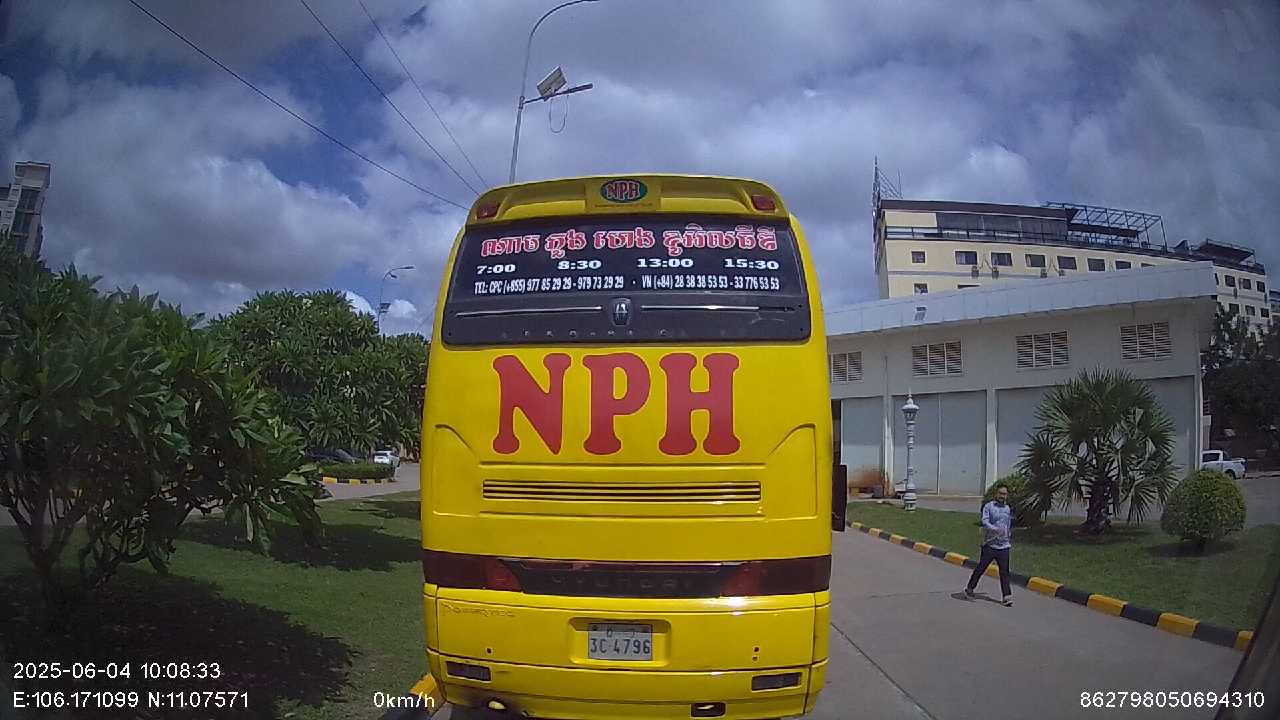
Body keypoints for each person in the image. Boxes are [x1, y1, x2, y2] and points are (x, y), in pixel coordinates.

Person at [965, 484, 1014, 606]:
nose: (1003, 496)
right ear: (996, 494)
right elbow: (985, 521)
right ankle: (970, 588)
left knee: (1004, 572)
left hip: (1004, 545)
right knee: (981, 568)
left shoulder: (1007, 508)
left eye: (1005, 494)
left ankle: (1006, 596)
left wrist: (1008, 533)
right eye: (1001, 493)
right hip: (990, 545)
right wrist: (994, 529)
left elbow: (1008, 523)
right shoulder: (989, 506)